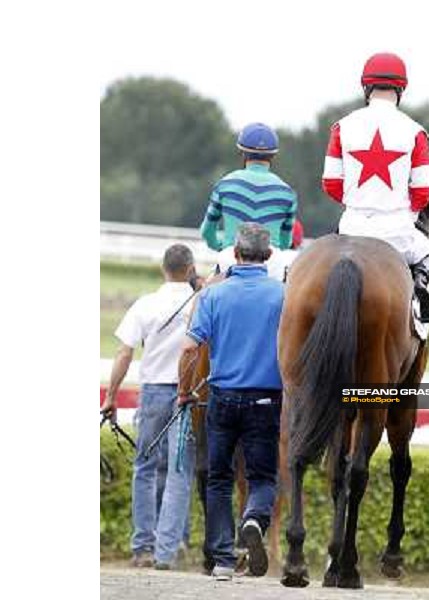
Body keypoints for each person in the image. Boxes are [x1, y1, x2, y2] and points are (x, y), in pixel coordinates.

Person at [178, 223, 284, 581]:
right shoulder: (283, 295)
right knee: (263, 477)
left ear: (235, 254)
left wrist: (183, 392)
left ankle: (223, 560)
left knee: (219, 478)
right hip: (266, 399)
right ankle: (253, 518)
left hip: (221, 398)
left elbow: (190, 349)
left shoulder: (211, 295)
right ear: (269, 257)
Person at [321, 52, 429, 322]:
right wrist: (403, 213)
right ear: (401, 88)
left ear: (366, 87)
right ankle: (419, 296)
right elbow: (423, 192)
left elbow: (330, 184)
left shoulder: (341, 127)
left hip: (351, 226)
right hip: (396, 232)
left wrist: (358, 201)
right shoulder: (416, 131)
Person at [101, 244, 199, 569]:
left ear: (163, 269)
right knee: (179, 470)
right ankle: (167, 552)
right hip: (188, 396)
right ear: (190, 269)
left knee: (144, 468)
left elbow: (124, 353)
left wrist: (111, 396)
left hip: (154, 391)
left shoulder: (146, 304)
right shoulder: (201, 302)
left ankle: (142, 547)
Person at [199, 122, 298, 280]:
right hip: (272, 264)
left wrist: (221, 246)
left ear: (242, 153)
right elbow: (286, 242)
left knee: (204, 300)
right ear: (273, 155)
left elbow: (207, 231)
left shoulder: (225, 184)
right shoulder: (287, 192)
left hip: (231, 258)